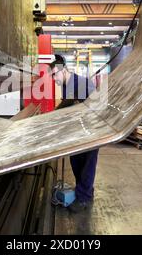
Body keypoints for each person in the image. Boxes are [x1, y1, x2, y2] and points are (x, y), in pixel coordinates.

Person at [49, 54, 99, 213]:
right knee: (76, 161)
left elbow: (94, 107)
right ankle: (85, 192)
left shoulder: (81, 84)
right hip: (78, 130)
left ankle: (84, 198)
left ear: (63, 71)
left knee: (86, 165)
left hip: (91, 130)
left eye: (54, 74)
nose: (53, 78)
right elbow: (68, 105)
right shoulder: (67, 84)